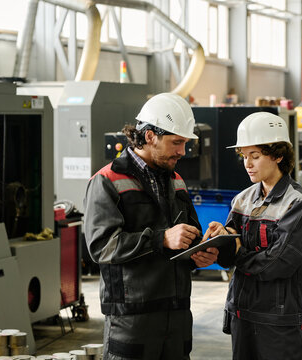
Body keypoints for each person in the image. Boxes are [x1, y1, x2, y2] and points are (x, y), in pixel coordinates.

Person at [83, 93, 218, 360]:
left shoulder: (176, 180)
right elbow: (102, 247)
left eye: (185, 143)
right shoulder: (107, 181)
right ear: (150, 136)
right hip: (132, 319)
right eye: (176, 142)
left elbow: (185, 237)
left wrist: (200, 252)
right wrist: (160, 239)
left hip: (177, 315)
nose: (182, 151)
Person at [209, 112, 302, 360]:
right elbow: (229, 257)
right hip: (241, 312)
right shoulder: (243, 199)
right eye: (244, 156)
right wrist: (220, 238)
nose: (247, 163)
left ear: (278, 155)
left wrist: (238, 251)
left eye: (255, 156)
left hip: (278, 320)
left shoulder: (297, 204)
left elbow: (278, 264)